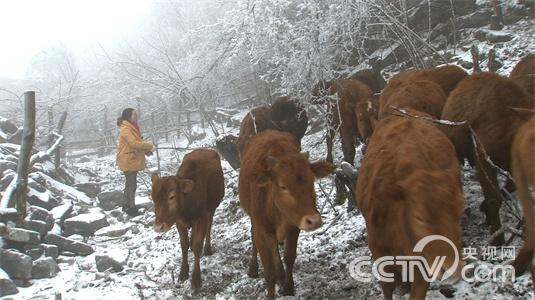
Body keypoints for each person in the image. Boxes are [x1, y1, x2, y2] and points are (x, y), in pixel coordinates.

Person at [116, 108, 155, 217]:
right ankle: (130, 208)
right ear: (128, 116)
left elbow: (136, 143)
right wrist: (150, 146)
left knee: (130, 183)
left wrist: (146, 151)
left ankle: (126, 205)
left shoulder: (132, 127)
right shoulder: (126, 129)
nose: (136, 116)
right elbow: (133, 143)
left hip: (130, 158)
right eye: (134, 115)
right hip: (127, 159)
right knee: (131, 184)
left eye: (136, 114)